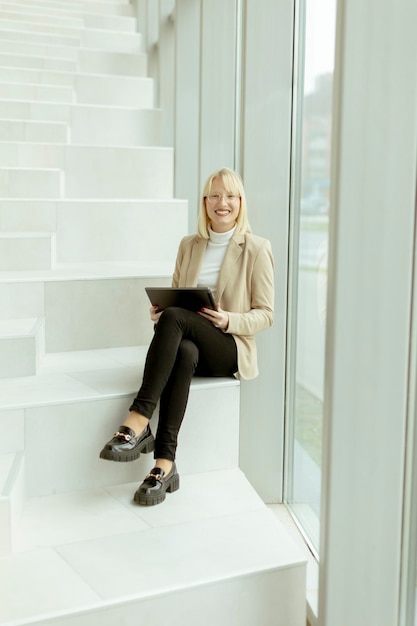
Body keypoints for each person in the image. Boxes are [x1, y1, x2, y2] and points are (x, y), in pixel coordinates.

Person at [99, 167, 274, 506]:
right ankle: (165, 464)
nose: (222, 203)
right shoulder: (189, 245)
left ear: (241, 202)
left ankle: (137, 420)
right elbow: (177, 298)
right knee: (183, 349)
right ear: (205, 202)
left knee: (178, 320)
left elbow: (266, 314)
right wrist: (161, 313)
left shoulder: (257, 248)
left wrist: (228, 318)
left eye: (230, 196)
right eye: (214, 195)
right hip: (190, 342)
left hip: (228, 345)